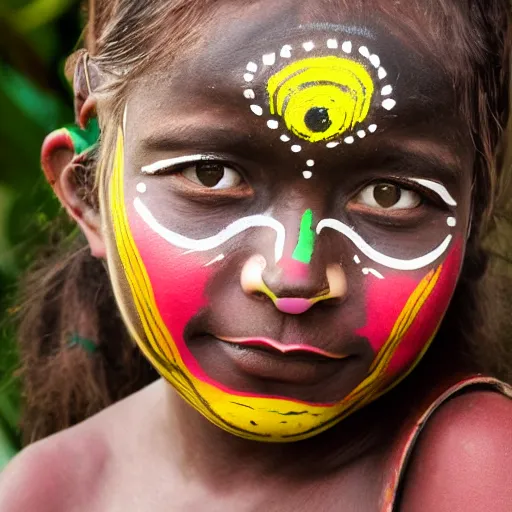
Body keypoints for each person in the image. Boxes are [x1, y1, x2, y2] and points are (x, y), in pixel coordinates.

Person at [1, 0, 512, 510]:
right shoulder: (44, 493)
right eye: (210, 175)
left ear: (471, 218)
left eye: (388, 195)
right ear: (89, 195)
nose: (293, 277)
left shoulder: (481, 469)